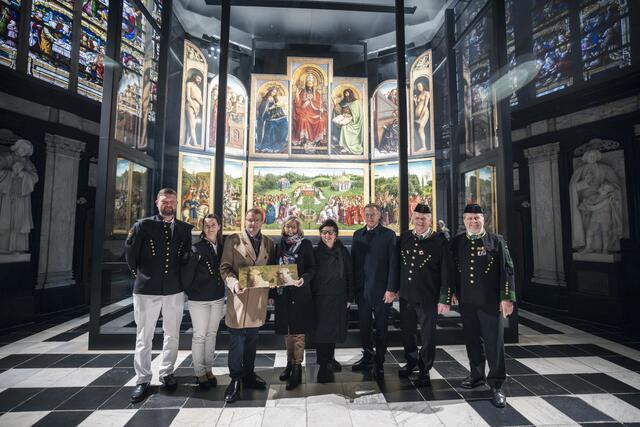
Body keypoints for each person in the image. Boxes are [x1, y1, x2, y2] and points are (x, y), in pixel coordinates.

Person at [125, 188, 193, 403]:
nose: (169, 204)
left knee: (172, 334)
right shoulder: (143, 226)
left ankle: (167, 373)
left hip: (173, 289)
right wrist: (141, 276)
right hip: (147, 289)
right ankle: (143, 379)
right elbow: (130, 255)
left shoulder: (184, 229)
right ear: (157, 202)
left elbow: (185, 259)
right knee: (144, 336)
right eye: (165, 201)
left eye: (172, 201)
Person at [450, 203, 516, 408]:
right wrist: (451, 293)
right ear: (464, 221)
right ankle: (476, 375)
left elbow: (507, 269)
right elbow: (453, 270)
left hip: (490, 302)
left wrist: (507, 298)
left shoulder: (496, 241)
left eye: (476, 218)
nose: (473, 221)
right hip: (467, 302)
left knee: (494, 344)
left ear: (483, 219)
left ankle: (496, 384)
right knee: (472, 342)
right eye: (469, 218)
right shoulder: (457, 242)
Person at [219, 207, 275, 403]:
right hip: (239, 299)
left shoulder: (269, 243)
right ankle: (235, 380)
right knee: (236, 343)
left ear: (262, 222)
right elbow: (224, 268)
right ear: (245, 220)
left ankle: (249, 375)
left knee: (252, 340)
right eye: (249, 220)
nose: (253, 223)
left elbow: (271, 272)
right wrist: (233, 284)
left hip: (258, 301)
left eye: (257, 220)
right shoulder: (233, 240)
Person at [397, 204, 453, 386]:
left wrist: (444, 298)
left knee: (428, 336)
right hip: (406, 295)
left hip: (429, 297)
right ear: (412, 218)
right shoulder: (405, 237)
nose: (420, 221)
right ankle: (411, 361)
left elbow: (446, 271)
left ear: (430, 220)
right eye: (417, 218)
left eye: (424, 218)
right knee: (408, 333)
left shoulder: (439, 240)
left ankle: (425, 368)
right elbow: (399, 265)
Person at [351, 203, 399, 379]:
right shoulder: (358, 235)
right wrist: (353, 290)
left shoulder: (389, 235)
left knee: (381, 328)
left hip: (382, 292)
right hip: (362, 291)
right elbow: (354, 264)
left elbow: (394, 264)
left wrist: (391, 289)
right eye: (367, 215)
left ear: (380, 215)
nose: (370, 218)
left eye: (373, 215)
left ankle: (379, 362)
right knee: (364, 327)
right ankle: (367, 358)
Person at [270, 218, 316, 390]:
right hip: (283, 294)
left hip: (300, 293)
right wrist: (272, 293)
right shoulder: (279, 245)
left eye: (293, 226)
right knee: (287, 331)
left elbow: (312, 268)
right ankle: (289, 363)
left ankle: (297, 367)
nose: (290, 229)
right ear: (283, 227)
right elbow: (273, 269)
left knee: (298, 332)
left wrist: (303, 279)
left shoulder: (305, 245)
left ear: (298, 228)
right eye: (287, 226)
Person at [181, 214, 225, 390]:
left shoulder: (222, 247)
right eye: (206, 226)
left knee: (212, 334)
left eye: (213, 225)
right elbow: (186, 275)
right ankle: (199, 373)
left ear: (219, 227)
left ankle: (209, 370)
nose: (210, 228)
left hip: (217, 297)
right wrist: (192, 291)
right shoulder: (196, 248)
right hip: (199, 299)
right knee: (199, 335)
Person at [312, 219, 354, 383]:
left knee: (334, 331)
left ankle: (330, 359)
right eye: (324, 232)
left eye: (330, 232)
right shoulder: (315, 252)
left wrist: (350, 297)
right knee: (321, 333)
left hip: (339, 297)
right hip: (320, 299)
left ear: (336, 235)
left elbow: (350, 274)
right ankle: (323, 365)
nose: (327, 235)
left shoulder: (342, 251)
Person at [292, 73, 327, 146]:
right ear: (306, 84)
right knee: (303, 119)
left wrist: (321, 108)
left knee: (321, 120)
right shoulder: (302, 92)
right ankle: (304, 139)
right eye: (308, 83)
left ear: (313, 84)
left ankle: (318, 139)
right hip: (304, 112)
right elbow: (298, 104)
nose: (310, 85)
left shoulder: (317, 93)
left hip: (315, 112)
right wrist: (297, 95)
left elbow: (321, 104)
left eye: (311, 83)